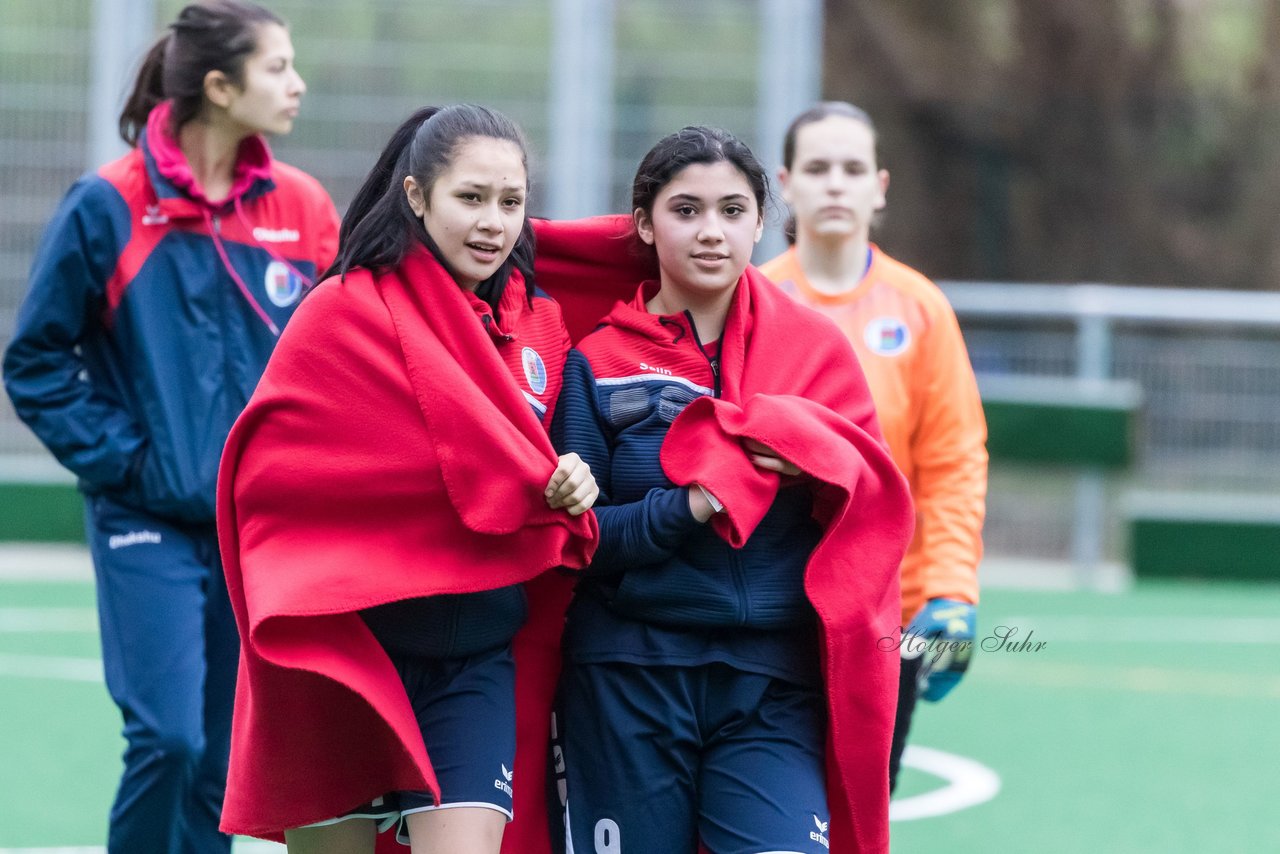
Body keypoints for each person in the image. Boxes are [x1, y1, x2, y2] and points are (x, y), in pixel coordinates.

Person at [215, 104, 600, 854]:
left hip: (474, 664)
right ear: (417, 196)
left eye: (511, 203)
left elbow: (546, 464)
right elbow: (273, 477)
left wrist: (571, 484)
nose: (493, 223)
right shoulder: (340, 313)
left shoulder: (543, 327)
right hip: (347, 660)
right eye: (471, 198)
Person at [1, 3, 338, 851]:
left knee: (223, 765)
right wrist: (132, 463)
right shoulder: (106, 205)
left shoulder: (303, 209)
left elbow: (344, 359)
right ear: (220, 87)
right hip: (144, 517)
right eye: (278, 68)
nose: (297, 85)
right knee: (168, 738)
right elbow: (35, 362)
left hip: (255, 532)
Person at [546, 127, 915, 854]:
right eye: (685, 211)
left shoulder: (816, 353)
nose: (710, 232)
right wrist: (695, 501)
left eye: (732, 210)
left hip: (771, 684)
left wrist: (814, 466)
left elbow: (869, 511)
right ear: (646, 225)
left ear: (761, 221)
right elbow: (582, 542)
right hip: (626, 679)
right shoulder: (599, 361)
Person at [760, 101, 988, 792]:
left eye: (852, 168)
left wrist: (950, 591)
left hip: (892, 618)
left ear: (879, 186)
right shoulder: (755, 300)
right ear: (786, 183)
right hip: (767, 612)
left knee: (862, 813)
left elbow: (953, 461)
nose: (836, 183)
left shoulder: (920, 308)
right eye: (819, 168)